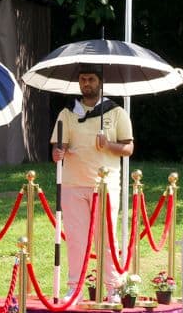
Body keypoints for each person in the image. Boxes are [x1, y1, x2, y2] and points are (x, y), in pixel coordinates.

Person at [50, 65, 133, 298]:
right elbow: (59, 146)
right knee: (76, 239)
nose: (86, 83)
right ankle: (74, 289)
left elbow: (128, 147)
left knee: (106, 238)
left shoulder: (115, 112)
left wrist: (108, 145)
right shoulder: (67, 112)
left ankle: (113, 288)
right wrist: (58, 153)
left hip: (105, 186)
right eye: (83, 79)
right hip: (72, 185)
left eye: (91, 79)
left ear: (100, 82)